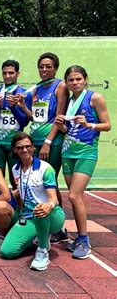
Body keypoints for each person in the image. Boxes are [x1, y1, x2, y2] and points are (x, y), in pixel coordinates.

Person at [55, 65, 111, 259]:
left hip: (86, 152)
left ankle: (84, 240)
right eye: (71, 80)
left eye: (78, 79)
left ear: (85, 79)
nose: (75, 83)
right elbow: (69, 131)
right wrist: (61, 125)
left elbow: (107, 125)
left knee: (74, 196)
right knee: (74, 197)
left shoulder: (95, 98)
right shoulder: (69, 101)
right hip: (67, 152)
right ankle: (79, 238)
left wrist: (90, 124)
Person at [0, 132, 65, 271]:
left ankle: (42, 250)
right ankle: (38, 236)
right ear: (14, 150)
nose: (24, 150)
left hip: (52, 214)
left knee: (39, 209)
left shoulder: (45, 168)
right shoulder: (15, 169)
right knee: (7, 251)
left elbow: (54, 199)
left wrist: (49, 205)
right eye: (20, 147)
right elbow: (20, 193)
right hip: (29, 217)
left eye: (27, 146)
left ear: (33, 148)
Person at [25, 53, 69, 243]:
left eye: (48, 66)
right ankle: (41, 222)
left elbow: (59, 118)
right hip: (35, 139)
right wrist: (21, 105)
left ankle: (58, 227)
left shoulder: (60, 86)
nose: (44, 70)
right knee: (38, 182)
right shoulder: (37, 88)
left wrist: (48, 142)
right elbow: (35, 117)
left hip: (51, 142)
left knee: (49, 182)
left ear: (55, 68)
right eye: (41, 66)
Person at [0, 60, 32, 188]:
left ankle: (19, 207)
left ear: (18, 73)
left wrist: (12, 107)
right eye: (4, 73)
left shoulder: (25, 94)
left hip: (15, 142)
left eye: (11, 73)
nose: (7, 76)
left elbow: (24, 121)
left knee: (16, 178)